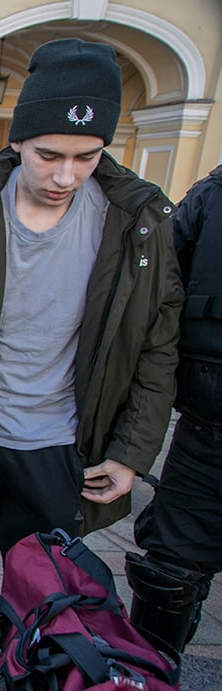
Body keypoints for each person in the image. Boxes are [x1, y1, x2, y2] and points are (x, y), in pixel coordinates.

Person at [0, 38, 183, 663]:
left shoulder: (139, 222)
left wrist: (131, 453)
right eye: (49, 155)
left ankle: (21, 690)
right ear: (18, 140)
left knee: (43, 597)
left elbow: (157, 346)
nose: (65, 176)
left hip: (60, 446)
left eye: (87, 157)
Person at [127, 162, 222, 653]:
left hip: (209, 412)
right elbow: (157, 288)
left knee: (173, 564)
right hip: (209, 424)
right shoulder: (214, 194)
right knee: (170, 568)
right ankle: (149, 684)